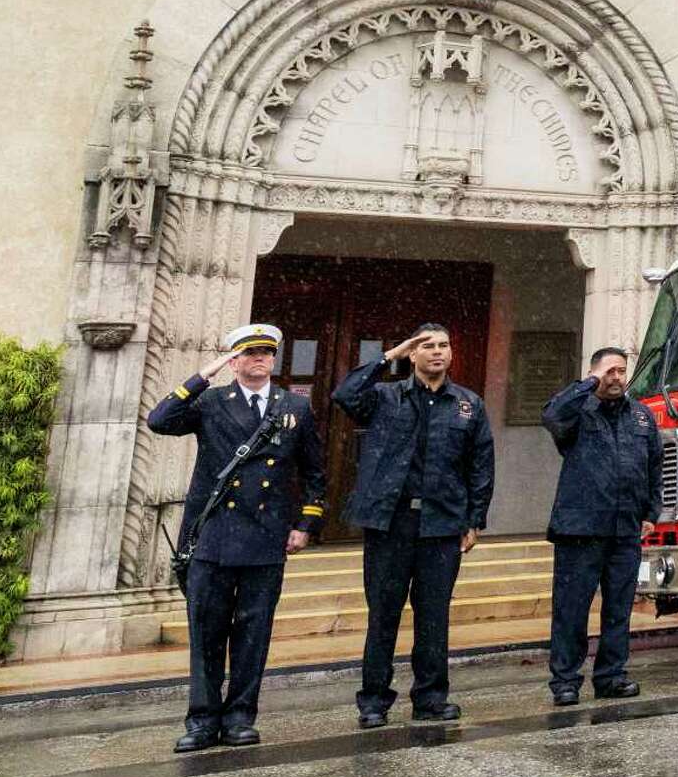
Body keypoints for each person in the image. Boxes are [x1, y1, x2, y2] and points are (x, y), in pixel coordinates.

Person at [145, 321, 324, 752]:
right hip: (212, 537)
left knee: (253, 632)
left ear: (273, 359)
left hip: (265, 537)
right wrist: (202, 374)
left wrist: (305, 525)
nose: (258, 360)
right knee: (207, 633)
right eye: (248, 354)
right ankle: (203, 721)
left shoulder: (293, 407)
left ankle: (242, 717)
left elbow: (315, 473)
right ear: (234, 360)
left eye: (265, 353)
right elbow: (159, 420)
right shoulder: (211, 401)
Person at [334, 326, 495, 728]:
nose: (437, 352)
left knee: (434, 617)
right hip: (391, 522)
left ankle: (431, 698)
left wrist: (475, 518)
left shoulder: (468, 405)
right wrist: (388, 356)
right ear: (412, 354)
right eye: (427, 346)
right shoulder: (385, 397)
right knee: (383, 615)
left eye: (443, 345)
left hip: (441, 524)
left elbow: (481, 467)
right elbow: (344, 395)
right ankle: (373, 701)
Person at [541, 346, 663, 706]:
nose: (616, 378)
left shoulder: (641, 417)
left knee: (618, 610)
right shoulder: (576, 411)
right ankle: (565, 680)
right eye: (609, 371)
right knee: (571, 610)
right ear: (593, 374)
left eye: (621, 371)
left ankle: (611, 675)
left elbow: (654, 468)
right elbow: (551, 415)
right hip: (580, 529)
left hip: (625, 529)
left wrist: (650, 514)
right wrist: (588, 384)